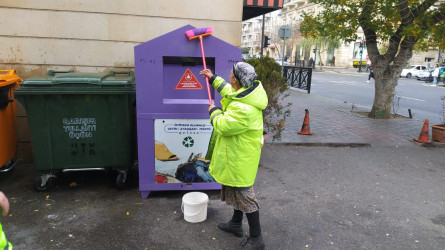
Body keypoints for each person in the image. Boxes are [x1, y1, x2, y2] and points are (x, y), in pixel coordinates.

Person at [200, 62, 268, 250]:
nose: (229, 76)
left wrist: (213, 112)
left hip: (241, 157)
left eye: (231, 74)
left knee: (245, 195)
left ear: (235, 79)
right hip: (237, 153)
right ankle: (236, 224)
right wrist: (212, 78)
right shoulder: (246, 93)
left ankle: (257, 239)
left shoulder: (244, 108)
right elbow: (228, 91)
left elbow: (223, 125)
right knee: (236, 189)